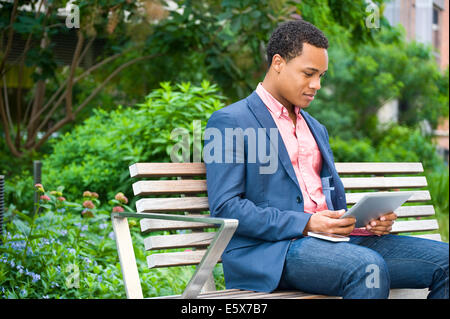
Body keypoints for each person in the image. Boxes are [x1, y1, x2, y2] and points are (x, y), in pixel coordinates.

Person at [203, 19, 448, 299]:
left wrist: (364, 223)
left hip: (337, 243)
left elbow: (328, 205)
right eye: (308, 73)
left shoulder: (315, 128)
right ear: (278, 63)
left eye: (321, 75)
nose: (316, 84)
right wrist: (306, 223)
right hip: (273, 251)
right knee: (367, 268)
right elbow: (226, 208)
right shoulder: (230, 121)